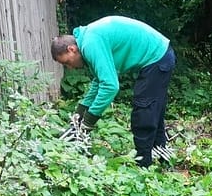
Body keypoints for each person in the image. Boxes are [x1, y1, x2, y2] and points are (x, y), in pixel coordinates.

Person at [51, 16, 176, 167]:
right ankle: (163, 160)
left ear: (71, 49)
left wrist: (89, 121)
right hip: (161, 54)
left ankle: (144, 165)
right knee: (154, 111)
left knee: (144, 112)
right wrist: (81, 110)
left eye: (67, 62)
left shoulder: (90, 44)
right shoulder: (88, 39)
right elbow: (99, 81)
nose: (69, 67)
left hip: (157, 57)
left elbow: (110, 86)